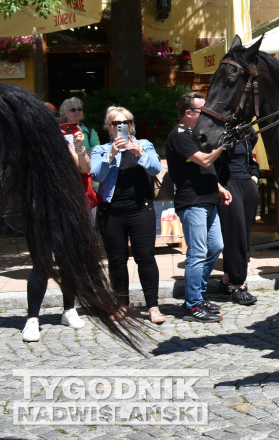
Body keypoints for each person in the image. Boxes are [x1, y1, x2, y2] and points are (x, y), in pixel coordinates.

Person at [91, 106, 165, 324]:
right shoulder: (101, 150)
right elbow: (97, 174)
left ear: (131, 126)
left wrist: (137, 152)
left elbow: (154, 168)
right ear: (109, 128)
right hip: (112, 212)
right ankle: (121, 305)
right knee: (117, 260)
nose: (122, 127)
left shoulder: (144, 145)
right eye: (116, 124)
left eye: (127, 123)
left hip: (140, 209)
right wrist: (112, 154)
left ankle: (153, 306)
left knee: (146, 257)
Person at [166, 91, 231, 323]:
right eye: (202, 111)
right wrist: (223, 144)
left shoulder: (195, 134)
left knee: (216, 246)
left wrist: (219, 187)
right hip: (192, 202)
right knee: (197, 253)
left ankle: (198, 295)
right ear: (188, 112)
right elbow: (203, 160)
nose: (206, 116)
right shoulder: (180, 135)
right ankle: (193, 303)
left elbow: (202, 169)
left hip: (207, 198)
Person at [22, 129, 90, 341]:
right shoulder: (29, 146)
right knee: (41, 264)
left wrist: (75, 146)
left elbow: (83, 168)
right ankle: (33, 318)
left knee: (69, 262)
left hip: (66, 208)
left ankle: (68, 309)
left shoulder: (66, 144)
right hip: (38, 210)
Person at [216, 133, 260, 305]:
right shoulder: (220, 133)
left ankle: (226, 280)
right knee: (235, 235)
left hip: (246, 185)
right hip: (229, 185)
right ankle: (238, 286)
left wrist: (253, 178)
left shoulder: (247, 134)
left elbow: (251, 162)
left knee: (243, 235)